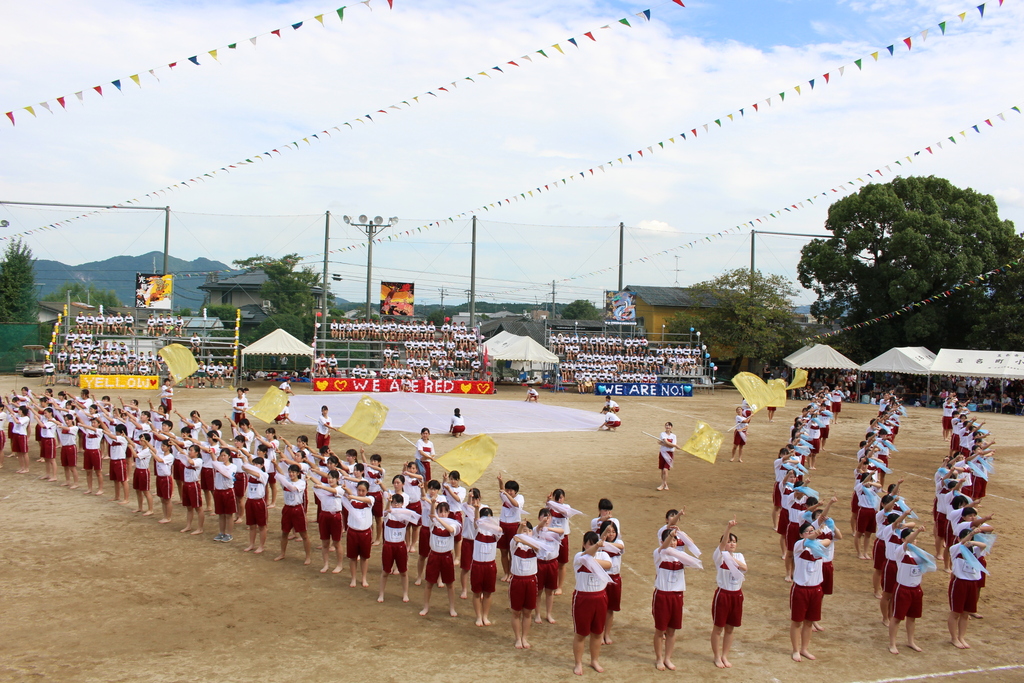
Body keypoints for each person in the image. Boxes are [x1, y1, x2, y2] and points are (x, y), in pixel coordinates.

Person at [653, 526, 700, 671]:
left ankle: (668, 658)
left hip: (677, 595)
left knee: (672, 630)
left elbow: (693, 548)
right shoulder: (659, 553)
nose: (673, 542)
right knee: (660, 630)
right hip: (663, 594)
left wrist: (681, 533)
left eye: (675, 539)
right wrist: (669, 537)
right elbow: (663, 548)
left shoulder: (681, 555)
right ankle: (659, 658)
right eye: (670, 539)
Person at [571, 530, 613, 676]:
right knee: (581, 633)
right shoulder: (579, 557)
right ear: (583, 544)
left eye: (593, 544)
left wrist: (595, 550)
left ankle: (594, 660)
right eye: (589, 544)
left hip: (600, 598)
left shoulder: (603, 555)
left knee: (597, 632)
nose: (592, 547)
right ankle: (578, 663)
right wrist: (595, 548)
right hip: (583, 598)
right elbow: (585, 558)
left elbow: (608, 564)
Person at [791, 522, 831, 662]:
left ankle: (804, 649)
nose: (811, 532)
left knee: (809, 622)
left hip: (816, 589)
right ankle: (796, 649)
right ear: (801, 534)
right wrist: (816, 533)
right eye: (807, 531)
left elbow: (829, 540)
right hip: (801, 589)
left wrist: (818, 534)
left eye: (812, 530)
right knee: (797, 622)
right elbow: (809, 541)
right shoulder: (799, 545)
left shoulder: (819, 545)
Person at [889, 524, 931, 654]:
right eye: (911, 538)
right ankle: (892, 643)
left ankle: (910, 641)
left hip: (916, 589)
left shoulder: (919, 554)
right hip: (903, 589)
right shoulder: (900, 552)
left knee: (912, 617)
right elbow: (907, 543)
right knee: (897, 617)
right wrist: (917, 531)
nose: (914, 540)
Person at [711, 519, 746, 669]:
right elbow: (721, 547)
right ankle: (717, 656)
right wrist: (728, 528)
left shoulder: (739, 556)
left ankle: (725, 655)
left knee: (730, 628)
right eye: (729, 541)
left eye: (734, 542)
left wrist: (732, 558)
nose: (732, 544)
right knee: (718, 627)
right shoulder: (719, 556)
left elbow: (745, 568)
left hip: (736, 595)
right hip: (723, 594)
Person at [420, 498, 462, 618]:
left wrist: (440, 519)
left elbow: (451, 530)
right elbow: (432, 516)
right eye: (441, 511)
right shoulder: (433, 523)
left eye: (445, 511)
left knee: (449, 584)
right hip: (434, 555)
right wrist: (433, 504)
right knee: (429, 583)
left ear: (448, 512)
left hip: (447, 556)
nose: (443, 514)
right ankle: (426, 606)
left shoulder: (453, 523)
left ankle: (452, 607)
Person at [379, 490, 418, 603]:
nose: (395, 505)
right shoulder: (387, 515)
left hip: (400, 546)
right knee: (385, 571)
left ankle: (405, 594)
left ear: (402, 504)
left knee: (403, 572)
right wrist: (388, 502)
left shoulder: (405, 517)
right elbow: (385, 513)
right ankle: (381, 594)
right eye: (394, 503)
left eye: (398, 503)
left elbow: (415, 518)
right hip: (388, 546)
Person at [274, 463, 312, 565]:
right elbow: (281, 473)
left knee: (303, 534)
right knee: (284, 532)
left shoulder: (301, 483)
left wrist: (282, 479)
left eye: (293, 472)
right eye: (290, 472)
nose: (291, 474)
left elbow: (292, 488)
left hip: (297, 509)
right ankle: (282, 553)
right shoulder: (286, 480)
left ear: (298, 473)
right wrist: (275, 465)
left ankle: (308, 556)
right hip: (287, 508)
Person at [471, 501, 500, 626]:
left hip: (490, 565)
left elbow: (500, 529)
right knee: (477, 592)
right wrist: (477, 510)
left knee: (488, 592)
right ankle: (478, 616)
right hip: (478, 565)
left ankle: (485, 616)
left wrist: (491, 523)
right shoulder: (477, 531)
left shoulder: (495, 533)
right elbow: (476, 522)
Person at [497, 475, 525, 582]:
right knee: (503, 551)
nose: (509, 492)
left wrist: (506, 495)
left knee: (512, 551)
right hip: (503, 525)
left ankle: (513, 573)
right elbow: (501, 489)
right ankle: (506, 573)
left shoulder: (520, 498)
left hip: (514, 526)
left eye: (511, 490)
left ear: (515, 491)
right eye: (507, 490)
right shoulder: (505, 495)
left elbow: (516, 505)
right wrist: (500, 481)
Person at [209, 448, 237, 542]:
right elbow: (214, 461)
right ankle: (221, 533)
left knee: (229, 514)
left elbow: (228, 475)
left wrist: (219, 467)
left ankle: (229, 534)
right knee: (220, 514)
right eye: (222, 455)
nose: (223, 457)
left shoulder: (233, 467)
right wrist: (212, 454)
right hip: (218, 491)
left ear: (229, 456)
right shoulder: (218, 465)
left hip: (228, 491)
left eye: (225, 455)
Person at [180, 444, 206, 534]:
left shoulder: (198, 460)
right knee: (189, 507)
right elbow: (181, 452)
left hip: (193, 485)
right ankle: (188, 526)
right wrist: (175, 444)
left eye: (191, 450)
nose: (189, 452)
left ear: (197, 452)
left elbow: (191, 462)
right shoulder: (188, 459)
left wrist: (186, 455)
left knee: (198, 507)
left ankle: (200, 528)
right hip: (186, 484)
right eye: (189, 450)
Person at [657, 422, 677, 491]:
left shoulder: (673, 436)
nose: (667, 427)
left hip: (669, 454)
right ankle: (665, 483)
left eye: (669, 425)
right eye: (666, 425)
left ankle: (662, 484)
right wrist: (675, 446)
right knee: (662, 470)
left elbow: (671, 446)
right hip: (663, 453)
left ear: (671, 427)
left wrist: (664, 444)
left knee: (666, 469)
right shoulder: (662, 434)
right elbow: (668, 443)